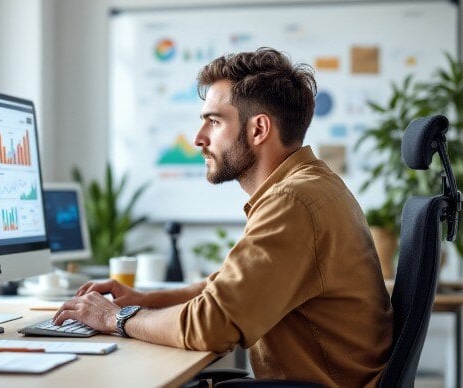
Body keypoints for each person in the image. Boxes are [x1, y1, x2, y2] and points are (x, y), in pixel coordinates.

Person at [53, 47, 393, 386]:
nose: (199, 139)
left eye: (213, 122)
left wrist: (117, 317)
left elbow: (211, 325)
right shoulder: (311, 186)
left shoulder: (293, 201)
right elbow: (225, 290)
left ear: (259, 129)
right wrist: (145, 301)